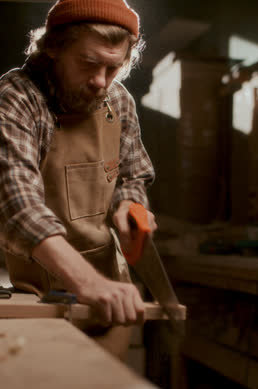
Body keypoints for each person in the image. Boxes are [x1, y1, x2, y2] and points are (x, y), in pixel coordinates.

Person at [0, 0, 156, 357]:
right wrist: (87, 283)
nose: (101, 82)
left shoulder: (119, 100)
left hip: (109, 302)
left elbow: (133, 176)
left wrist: (129, 206)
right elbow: (18, 207)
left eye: (113, 67)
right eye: (88, 63)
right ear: (53, 48)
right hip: (40, 302)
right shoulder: (17, 98)